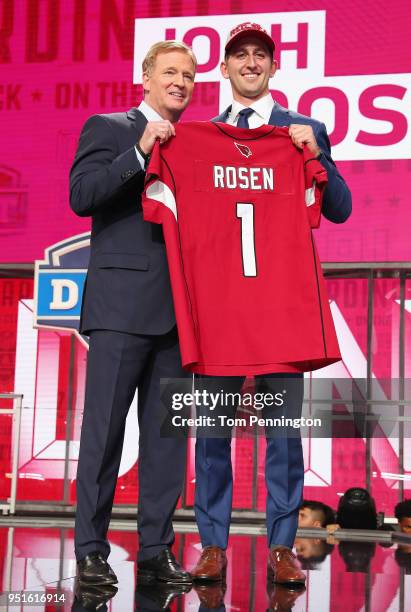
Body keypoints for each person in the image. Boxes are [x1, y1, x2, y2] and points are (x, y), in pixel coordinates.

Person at [190, 22, 352, 585]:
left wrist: (318, 157)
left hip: (279, 311)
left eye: (260, 54)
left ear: (274, 67)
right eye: (241, 55)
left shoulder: (303, 130)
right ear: (226, 68)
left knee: (282, 434)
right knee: (211, 433)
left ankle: (282, 544)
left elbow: (341, 209)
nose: (250, 63)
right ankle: (212, 543)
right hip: (219, 312)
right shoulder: (197, 136)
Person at [70, 40, 196, 586]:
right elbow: (82, 195)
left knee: (168, 440)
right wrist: (141, 151)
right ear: (145, 78)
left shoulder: (198, 143)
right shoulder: (109, 126)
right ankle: (92, 550)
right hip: (120, 309)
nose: (180, 81)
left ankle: (155, 548)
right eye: (170, 71)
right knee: (103, 436)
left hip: (180, 315)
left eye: (188, 75)